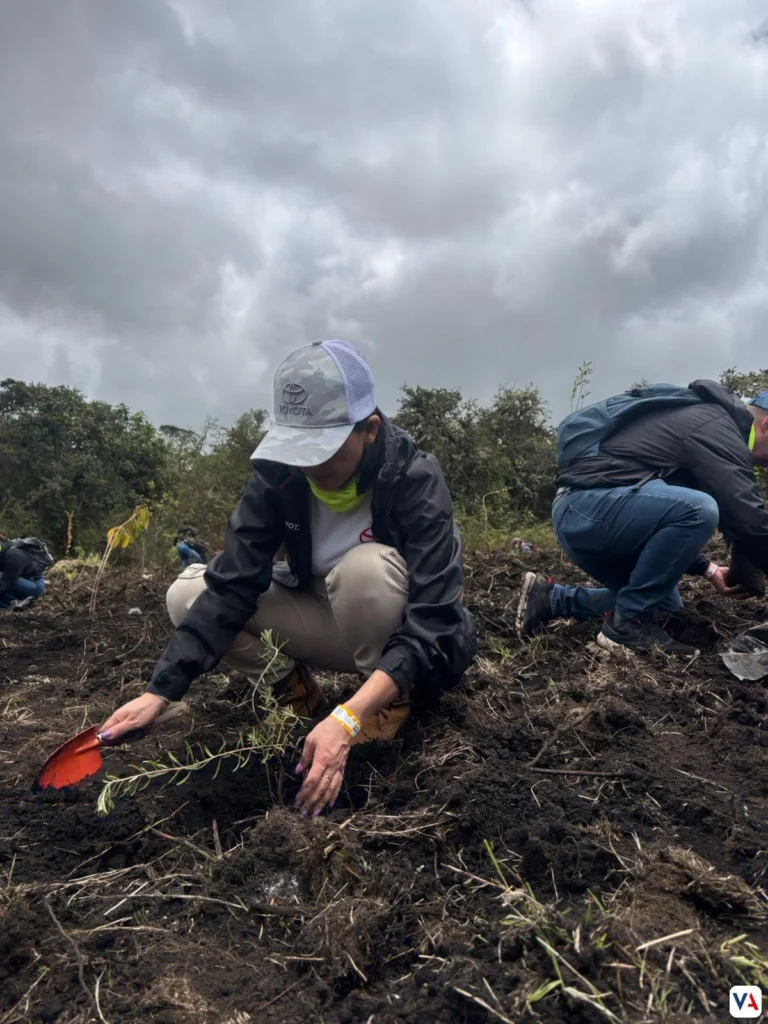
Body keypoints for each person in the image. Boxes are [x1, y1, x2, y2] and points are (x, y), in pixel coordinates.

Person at [99, 340, 477, 817]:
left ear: (371, 430)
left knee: (365, 571)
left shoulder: (413, 477)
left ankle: (381, 708)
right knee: (189, 593)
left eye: (325, 450)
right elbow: (234, 583)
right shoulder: (281, 475)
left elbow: (434, 620)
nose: (311, 466)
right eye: (300, 449)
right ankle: (298, 697)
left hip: (400, 638)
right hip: (325, 615)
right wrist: (161, 689)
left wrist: (349, 716)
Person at [517, 379, 768, 656]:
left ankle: (553, 599)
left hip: (592, 516)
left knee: (661, 604)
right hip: (587, 509)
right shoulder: (715, 425)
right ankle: (625, 629)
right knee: (700, 509)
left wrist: (708, 570)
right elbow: (748, 519)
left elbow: (666, 518)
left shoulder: (713, 432)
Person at [0, 537, 53, 611]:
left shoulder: (13, 555)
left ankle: (6, 605)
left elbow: (6, 584)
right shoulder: (5, 547)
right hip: (26, 576)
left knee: (2, 579)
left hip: (35, 584)